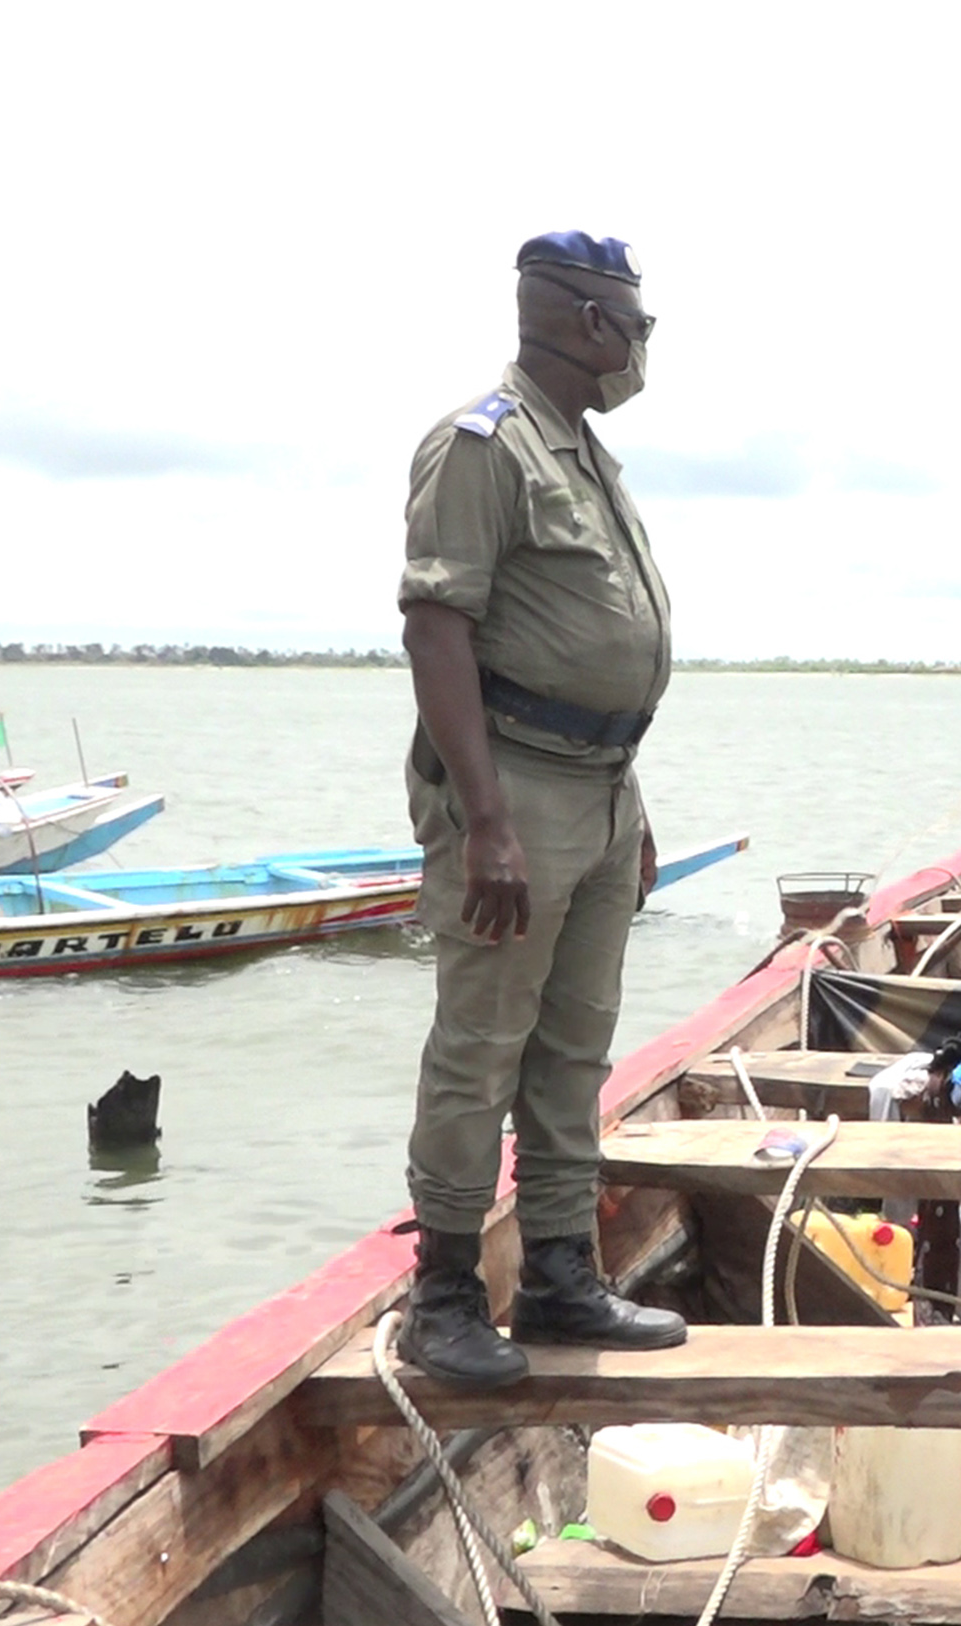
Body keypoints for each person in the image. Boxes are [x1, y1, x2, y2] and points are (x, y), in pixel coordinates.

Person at [391, 230, 689, 1391]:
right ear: (586, 321)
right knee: (481, 1048)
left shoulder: (585, 455)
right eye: (639, 325)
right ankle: (447, 1295)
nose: (644, 348)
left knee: (574, 1048)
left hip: (602, 789)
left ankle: (563, 1272)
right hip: (513, 786)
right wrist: (488, 822)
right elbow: (436, 628)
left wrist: (632, 804)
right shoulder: (486, 447)